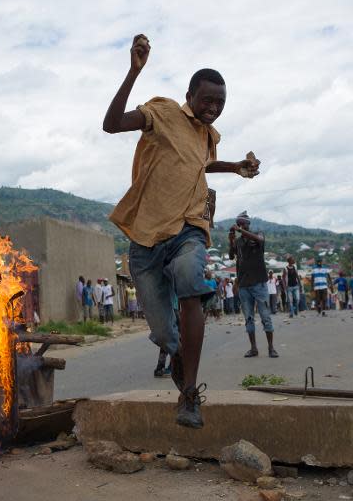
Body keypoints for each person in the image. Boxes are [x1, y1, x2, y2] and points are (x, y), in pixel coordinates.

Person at [102, 33, 261, 428]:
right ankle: (175, 353)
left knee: (192, 280)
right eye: (207, 100)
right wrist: (133, 72)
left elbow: (202, 165)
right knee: (161, 331)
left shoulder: (208, 136)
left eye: (220, 103)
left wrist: (236, 165)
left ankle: (189, 394)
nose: (213, 108)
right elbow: (111, 125)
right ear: (190, 94)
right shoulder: (162, 112)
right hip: (146, 237)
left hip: (189, 229)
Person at [228, 212, 278, 358]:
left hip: (259, 283)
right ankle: (254, 348)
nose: (240, 226)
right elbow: (231, 256)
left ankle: (271, 348)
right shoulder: (239, 242)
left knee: (265, 316)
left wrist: (239, 231)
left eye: (242, 223)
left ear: (248, 224)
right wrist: (231, 241)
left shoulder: (258, 235)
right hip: (244, 284)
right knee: (248, 318)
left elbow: (259, 239)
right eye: (238, 224)